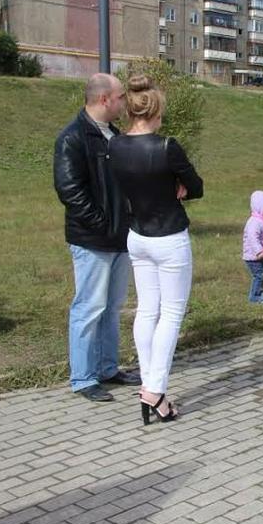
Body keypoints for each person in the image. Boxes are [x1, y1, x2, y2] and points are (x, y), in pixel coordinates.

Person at [109, 75, 204, 424]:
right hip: (168, 237)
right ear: (156, 109)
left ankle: (152, 388)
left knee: (147, 310)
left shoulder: (115, 145)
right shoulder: (167, 147)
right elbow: (197, 187)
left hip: (138, 235)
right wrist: (178, 185)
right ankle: (154, 388)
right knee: (171, 313)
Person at [53, 73, 140, 402]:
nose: (123, 103)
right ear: (104, 99)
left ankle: (107, 368)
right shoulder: (73, 139)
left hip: (120, 237)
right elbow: (70, 192)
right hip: (92, 240)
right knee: (88, 307)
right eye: (120, 97)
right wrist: (103, 225)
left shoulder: (114, 136)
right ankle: (83, 377)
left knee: (112, 307)